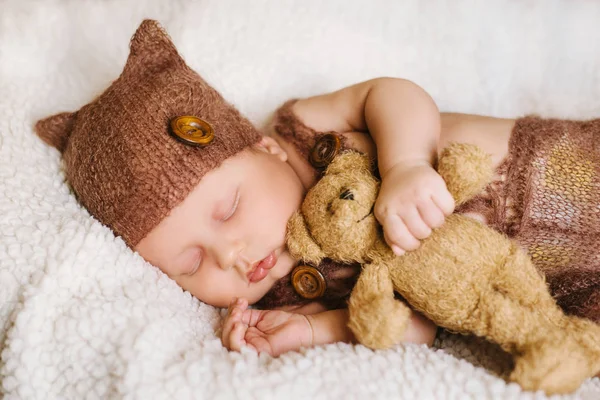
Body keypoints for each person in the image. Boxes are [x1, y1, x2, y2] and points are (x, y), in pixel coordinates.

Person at [35, 20, 599, 358]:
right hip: (566, 291)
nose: (230, 254)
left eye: (229, 208)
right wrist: (312, 329)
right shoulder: (291, 292)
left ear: (265, 148)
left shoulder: (308, 130)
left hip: (563, 166)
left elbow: (393, 92)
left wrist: (403, 164)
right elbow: (418, 327)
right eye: (190, 263)